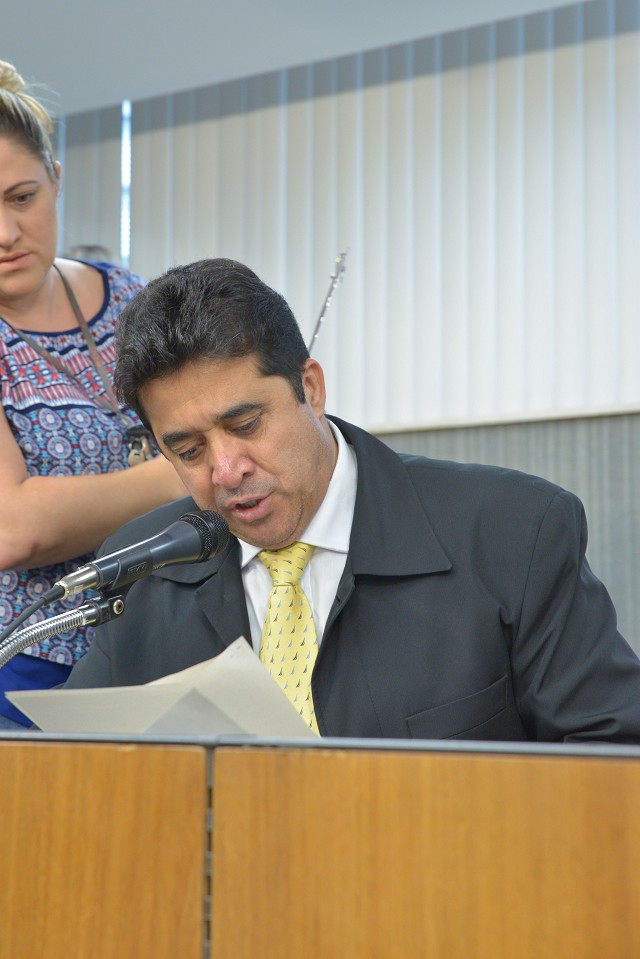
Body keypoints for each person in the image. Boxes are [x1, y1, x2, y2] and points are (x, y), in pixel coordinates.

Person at [63, 256, 640, 743]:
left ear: (310, 388)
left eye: (246, 425)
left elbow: (609, 754)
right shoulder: (142, 569)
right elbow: (75, 764)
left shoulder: (511, 532)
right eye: (188, 451)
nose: (226, 470)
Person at [0, 61, 185, 729]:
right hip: (26, 665)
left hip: (163, 642)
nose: (5, 233)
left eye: (22, 197)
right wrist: (179, 475)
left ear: (56, 178)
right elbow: (14, 529)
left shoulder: (132, 297)